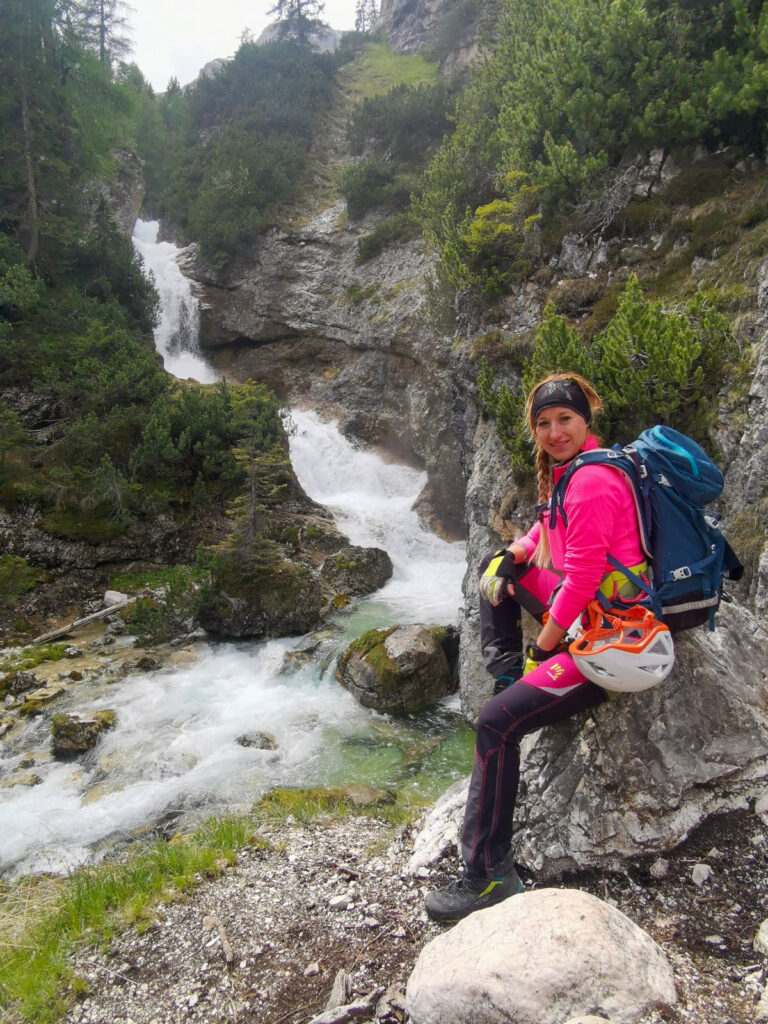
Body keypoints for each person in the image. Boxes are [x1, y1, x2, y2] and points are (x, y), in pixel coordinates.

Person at [425, 372, 649, 923]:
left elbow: (581, 578)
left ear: (585, 420)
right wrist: (515, 553)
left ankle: (487, 876)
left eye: (564, 419)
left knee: (497, 725)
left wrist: (542, 652)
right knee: (494, 571)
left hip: (614, 640)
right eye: (543, 423)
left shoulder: (593, 481)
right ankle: (505, 676)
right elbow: (546, 529)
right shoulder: (574, 471)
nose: (554, 432)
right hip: (594, 618)